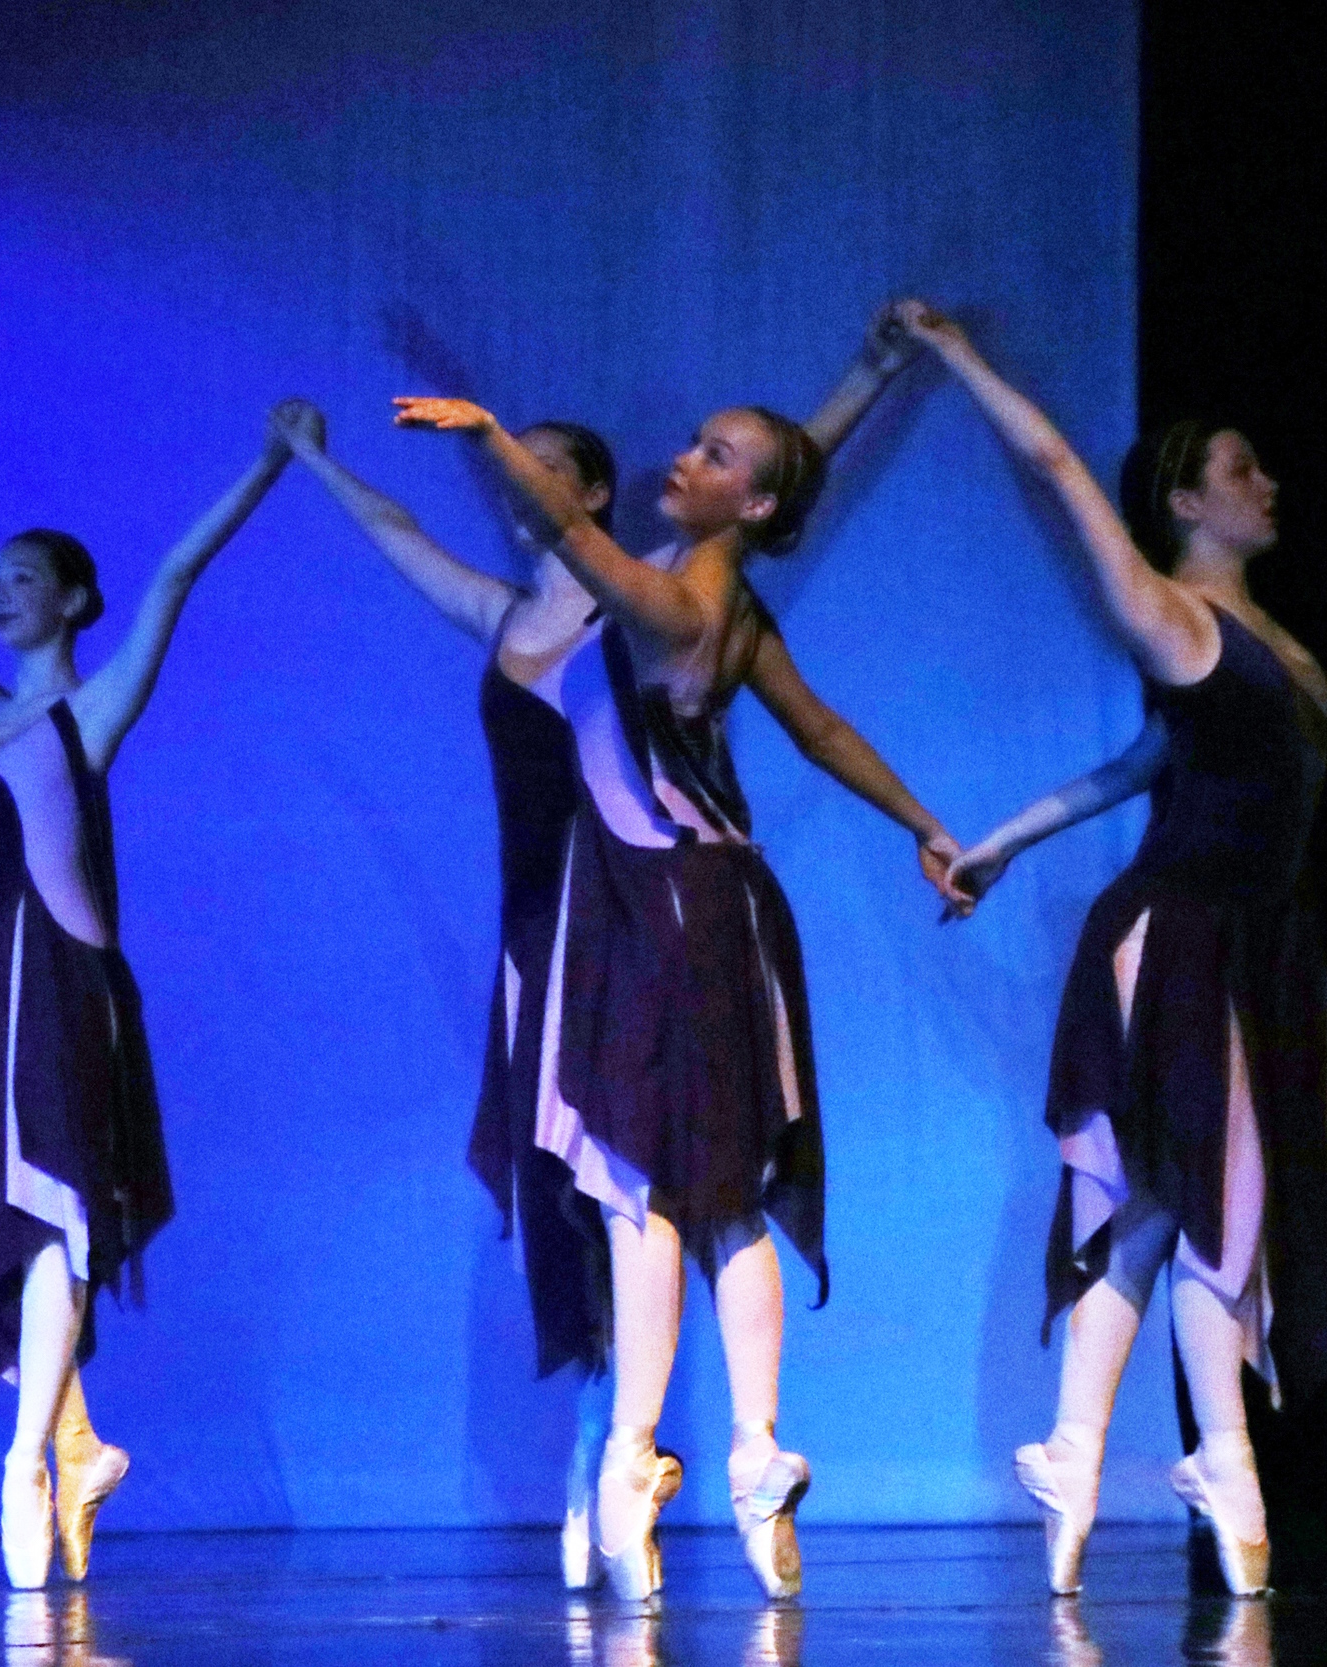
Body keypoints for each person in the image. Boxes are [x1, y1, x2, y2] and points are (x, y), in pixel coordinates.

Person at [393, 369, 966, 1601]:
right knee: (725, 1195)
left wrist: (493, 432)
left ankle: (632, 1460)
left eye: (714, 457)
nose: (688, 459)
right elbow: (817, 726)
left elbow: (571, 533)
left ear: (747, 504)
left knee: (637, 1188)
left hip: (660, 910)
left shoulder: (672, 603)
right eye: (698, 441)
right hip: (721, 905)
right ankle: (754, 1452)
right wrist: (923, 820)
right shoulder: (739, 593)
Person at [901, 300, 1327, 1597]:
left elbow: (1134, 766)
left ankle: (1084, 1448)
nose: (1265, 484)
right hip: (1184, 936)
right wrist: (961, 354)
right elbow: (1054, 469)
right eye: (1239, 470)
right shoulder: (1175, 615)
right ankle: (1219, 1462)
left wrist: (998, 840)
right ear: (1184, 500)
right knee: (1210, 1196)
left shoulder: (1252, 640)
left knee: (1178, 1206)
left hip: (1262, 940)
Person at [0, 399, 291, 1588]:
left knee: (63, 1216)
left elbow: (177, 571)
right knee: (21, 1222)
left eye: (24, 576)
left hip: (67, 980)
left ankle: (29, 1456)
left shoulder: (93, 707)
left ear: (75, 600)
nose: (1, 592)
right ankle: (71, 1446)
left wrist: (268, 458)